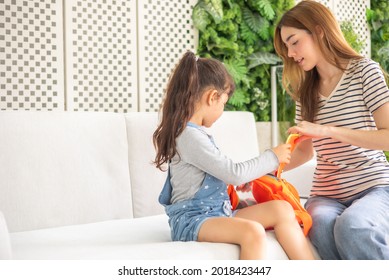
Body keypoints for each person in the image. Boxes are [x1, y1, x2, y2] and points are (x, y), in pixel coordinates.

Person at [153, 50, 315, 260]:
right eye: (223, 103)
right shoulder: (189, 136)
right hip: (194, 221)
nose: (223, 109)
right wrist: (273, 157)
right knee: (252, 232)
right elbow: (233, 173)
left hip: (216, 214)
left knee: (282, 209)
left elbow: (222, 173)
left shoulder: (195, 134)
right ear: (212, 97)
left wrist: (246, 179)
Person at [273, 0, 389, 259]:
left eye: (294, 41)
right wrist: (262, 169)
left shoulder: (364, 72)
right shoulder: (306, 92)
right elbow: (303, 153)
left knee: (353, 226)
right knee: (321, 227)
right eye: (286, 47)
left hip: (375, 187)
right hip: (326, 196)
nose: (290, 53)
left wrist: (327, 130)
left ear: (319, 31)